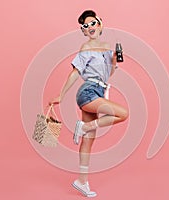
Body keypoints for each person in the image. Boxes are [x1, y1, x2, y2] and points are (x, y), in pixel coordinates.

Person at [49, 10, 129, 198]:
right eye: (85, 26)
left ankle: (82, 181)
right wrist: (61, 95)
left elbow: (108, 75)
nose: (90, 27)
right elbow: (75, 72)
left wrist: (115, 62)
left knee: (88, 140)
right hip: (88, 92)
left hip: (99, 90)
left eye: (92, 23)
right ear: (83, 32)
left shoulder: (107, 49)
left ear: (100, 24)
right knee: (123, 113)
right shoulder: (86, 48)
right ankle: (83, 126)